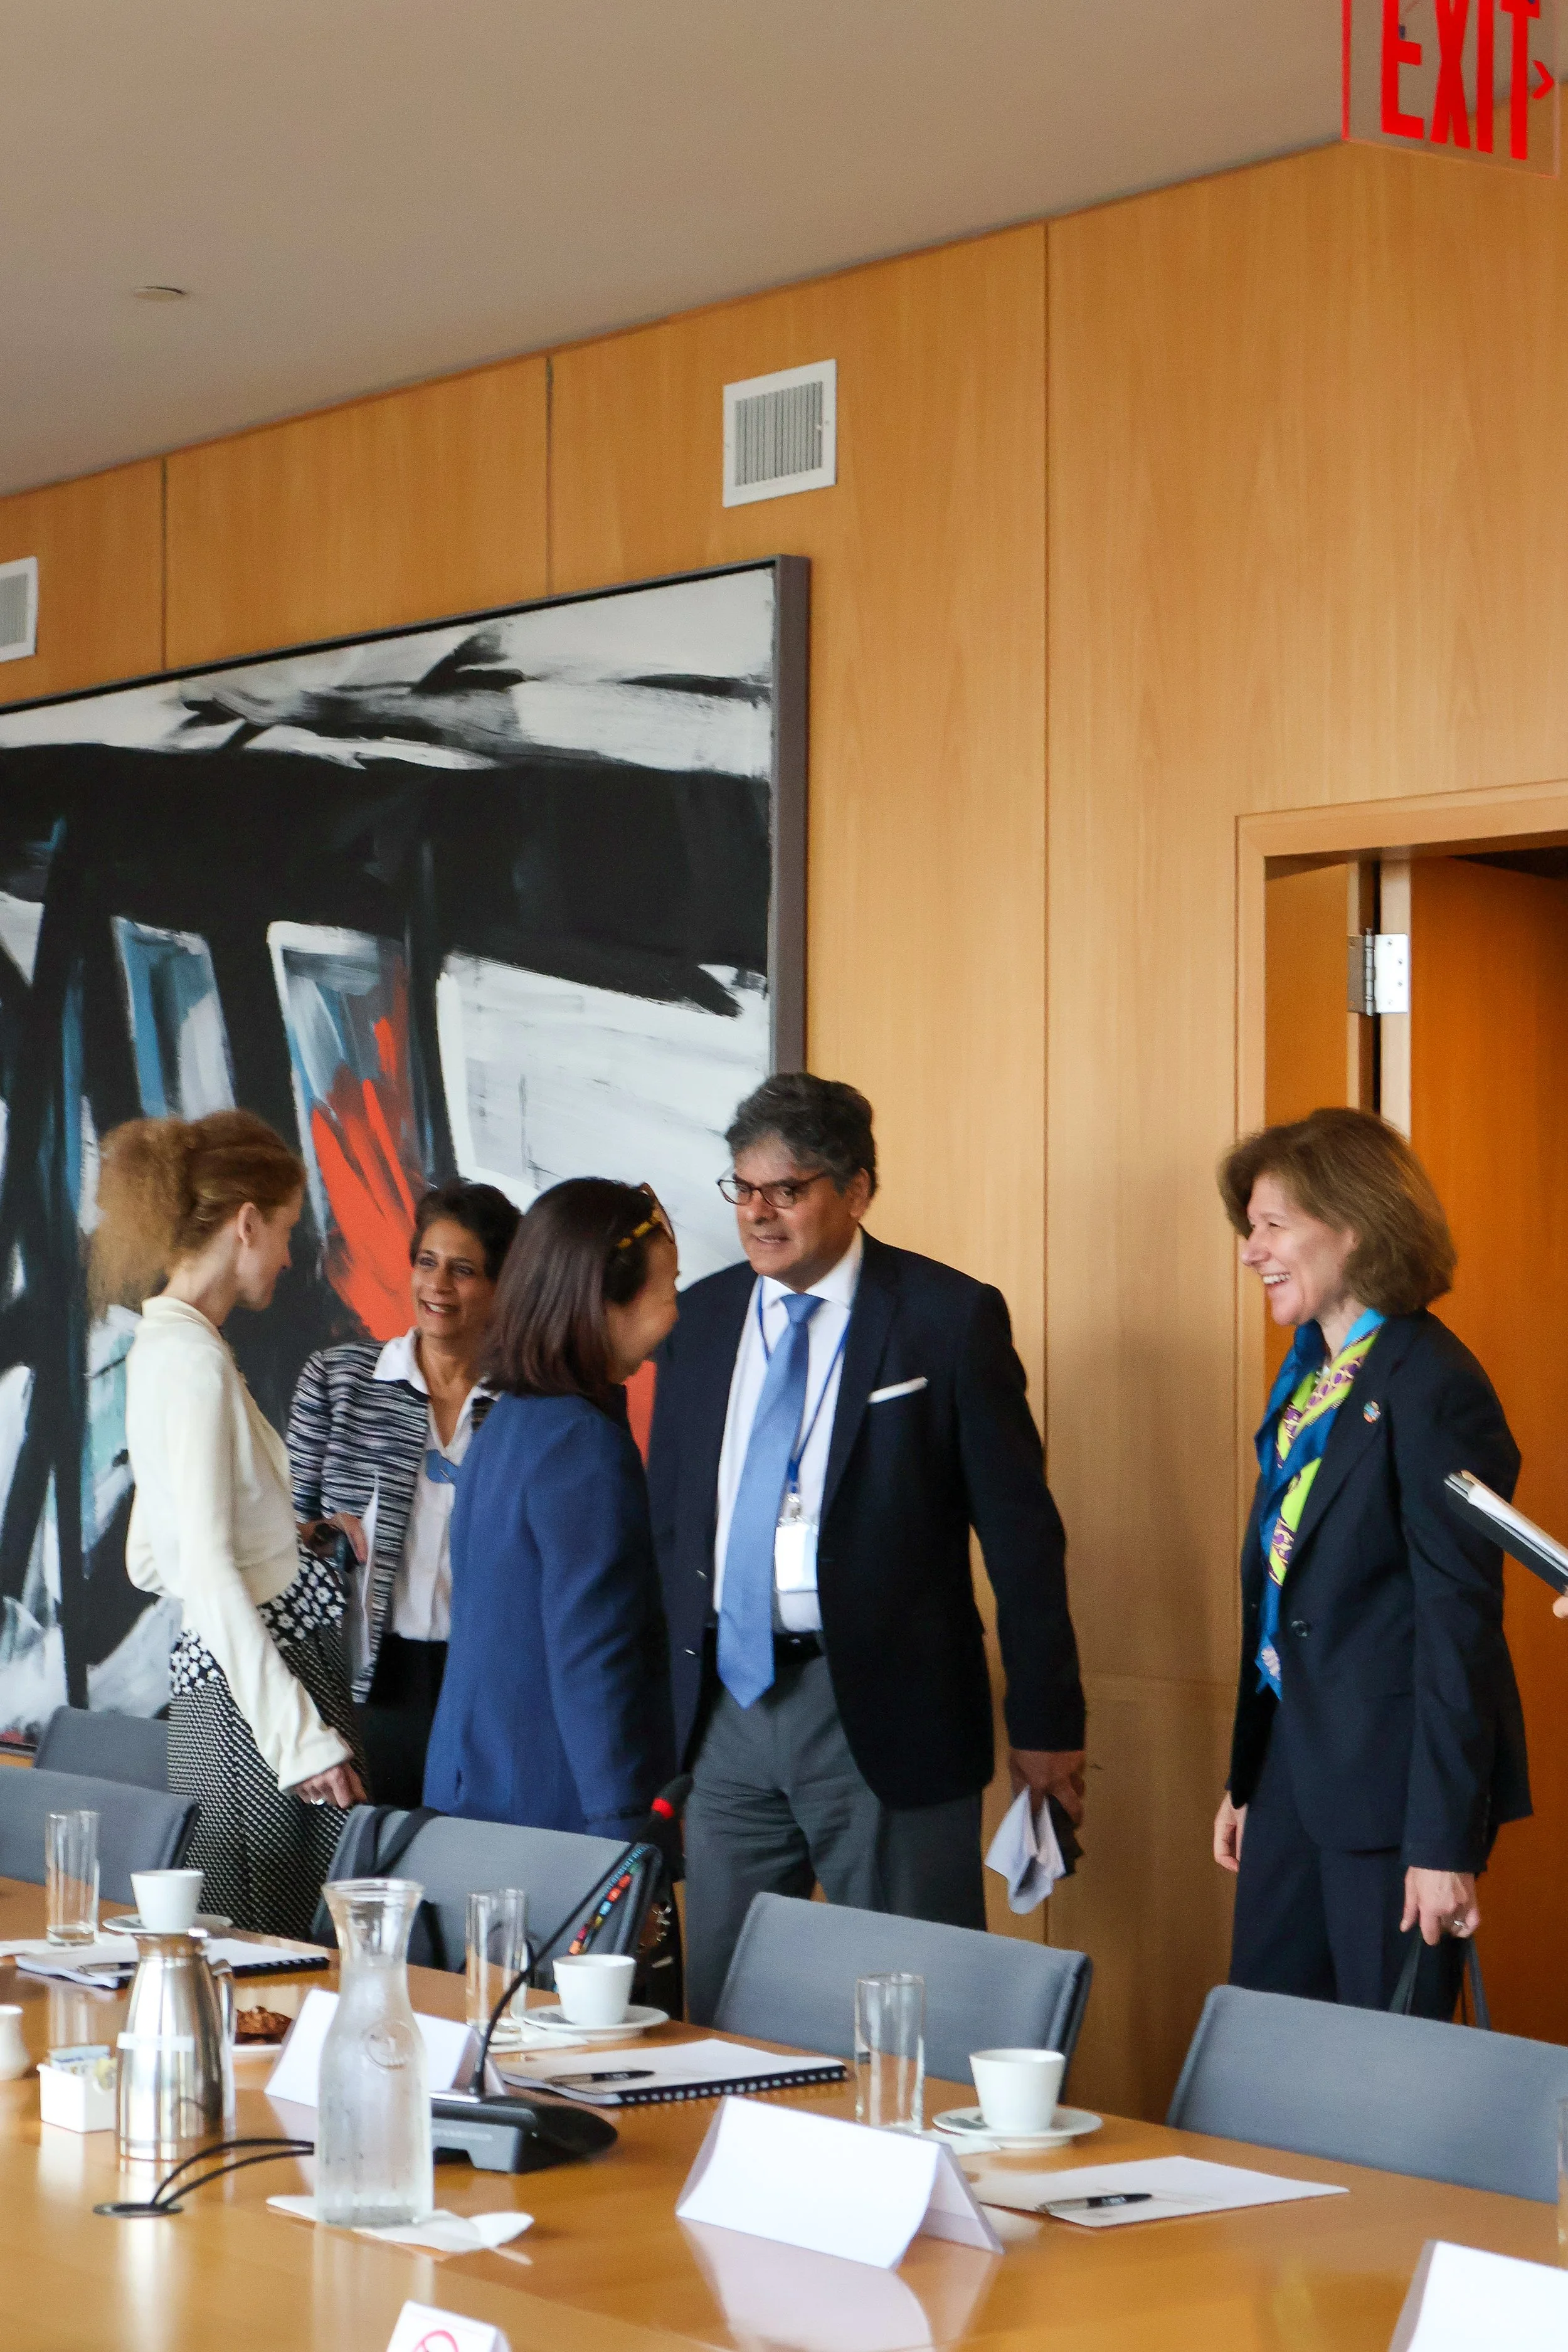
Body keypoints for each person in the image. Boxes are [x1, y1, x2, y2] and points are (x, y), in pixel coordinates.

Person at [647, 1072, 1087, 2023]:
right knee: (722, 2001)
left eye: (788, 1188)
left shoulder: (946, 1317)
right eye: (743, 1188)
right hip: (727, 1709)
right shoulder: (701, 1320)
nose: (759, 1214)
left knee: (910, 2003)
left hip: (883, 1711)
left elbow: (1020, 1533)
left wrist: (1047, 1721)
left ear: (857, 1188)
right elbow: (673, 1521)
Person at [1215, 1106, 1530, 2015]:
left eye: (1272, 1224)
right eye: (1250, 1227)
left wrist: (1444, 1843)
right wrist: (1249, 1776)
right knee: (1272, 2060)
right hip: (1292, 1782)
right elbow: (1286, 1595)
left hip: (1392, 1803)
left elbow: (1457, 1627)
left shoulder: (1433, 1385)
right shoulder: (1312, 1381)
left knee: (1385, 2085)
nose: (1250, 1249)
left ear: (1352, 1227)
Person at [98, 1111, 368, 1938]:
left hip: (237, 1686)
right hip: (261, 1692)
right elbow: (202, 1569)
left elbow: (153, 1555)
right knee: (272, 1964)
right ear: (246, 1221)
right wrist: (303, 1742)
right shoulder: (192, 1359)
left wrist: (280, 1536)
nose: (290, 1256)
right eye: (286, 1230)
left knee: (261, 1962)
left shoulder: (169, 1345)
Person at [423, 1179, 677, 1834]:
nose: (677, 1310)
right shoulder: (583, 1446)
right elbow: (595, 1655)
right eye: (669, 1287)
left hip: (477, 1785)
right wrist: (622, 1831)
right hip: (553, 1811)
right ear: (605, 1301)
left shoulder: (513, 1421)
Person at [287, 1180, 521, 1806]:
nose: (438, 1285)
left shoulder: (528, 1407)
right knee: (371, 1880)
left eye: (464, 1270)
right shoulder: (339, 1381)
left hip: (488, 1688)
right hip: (369, 1684)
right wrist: (316, 1536)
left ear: (501, 1286)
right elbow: (282, 1533)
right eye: (427, 1262)